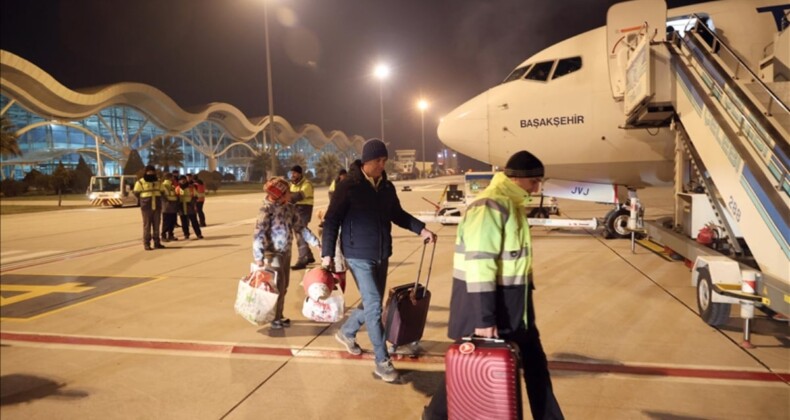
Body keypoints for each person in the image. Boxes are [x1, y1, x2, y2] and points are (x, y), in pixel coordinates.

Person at [423, 150, 564, 420]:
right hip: (492, 309)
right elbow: (480, 265)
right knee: (467, 369)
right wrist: (484, 318)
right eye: (534, 181)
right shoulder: (490, 205)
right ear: (517, 179)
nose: (537, 188)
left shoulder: (512, 205)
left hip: (515, 307)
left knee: (535, 366)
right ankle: (435, 416)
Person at [321, 138, 436, 383]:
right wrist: (327, 254)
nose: (382, 165)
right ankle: (382, 362)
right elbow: (331, 220)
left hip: (381, 254)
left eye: (384, 160)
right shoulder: (348, 186)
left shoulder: (386, 187)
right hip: (357, 254)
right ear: (365, 161)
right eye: (377, 160)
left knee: (372, 304)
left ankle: (347, 331)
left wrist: (422, 230)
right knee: (374, 307)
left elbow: (397, 214)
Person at [253, 177, 321, 329]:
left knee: (284, 286)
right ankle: (273, 318)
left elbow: (301, 228)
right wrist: (259, 257)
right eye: (287, 192)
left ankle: (279, 315)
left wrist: (316, 243)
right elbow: (259, 234)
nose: (290, 194)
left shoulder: (289, 208)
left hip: (286, 252)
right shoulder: (266, 210)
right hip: (272, 254)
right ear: (279, 194)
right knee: (276, 286)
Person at [288, 165, 316, 270]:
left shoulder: (307, 184)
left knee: (300, 233)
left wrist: (288, 195)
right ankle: (309, 256)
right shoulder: (292, 184)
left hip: (304, 210)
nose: (292, 175)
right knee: (299, 232)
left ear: (300, 173)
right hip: (295, 210)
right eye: (291, 173)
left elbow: (298, 196)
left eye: (294, 173)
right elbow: (290, 197)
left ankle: (302, 259)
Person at [133, 165, 165, 251]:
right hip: (146, 207)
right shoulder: (140, 182)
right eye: (148, 171)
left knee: (157, 225)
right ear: (145, 172)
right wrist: (144, 200)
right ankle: (146, 243)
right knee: (147, 226)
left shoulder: (158, 181)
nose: (150, 173)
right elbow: (136, 193)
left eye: (152, 171)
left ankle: (157, 243)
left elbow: (162, 191)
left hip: (157, 206)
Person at [175, 175, 203, 240]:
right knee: (184, 222)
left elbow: (196, 196)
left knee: (194, 221)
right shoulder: (177, 188)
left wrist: (192, 203)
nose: (183, 180)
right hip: (181, 207)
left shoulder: (191, 187)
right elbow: (176, 198)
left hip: (190, 207)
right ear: (179, 181)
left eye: (184, 179)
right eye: (181, 179)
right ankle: (186, 234)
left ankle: (198, 234)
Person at [160, 172, 179, 242]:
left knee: (172, 222)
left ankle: (170, 235)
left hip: (172, 206)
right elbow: (162, 196)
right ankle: (164, 236)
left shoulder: (172, 186)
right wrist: (167, 201)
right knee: (167, 222)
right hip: (167, 206)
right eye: (172, 177)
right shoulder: (164, 185)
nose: (173, 179)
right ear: (170, 178)